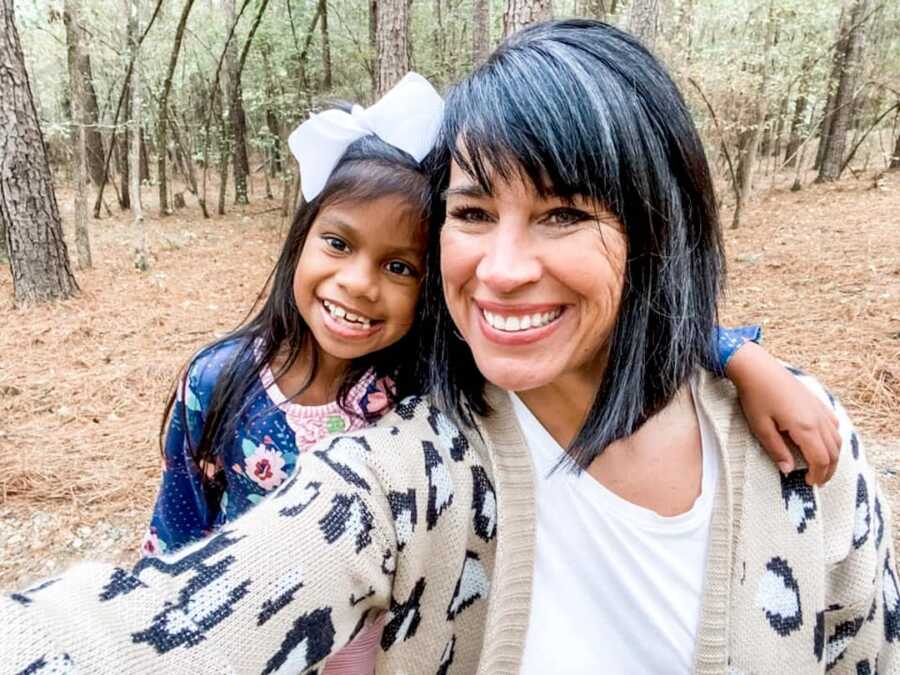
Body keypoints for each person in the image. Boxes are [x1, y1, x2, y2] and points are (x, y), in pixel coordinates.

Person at [2, 20, 888, 674]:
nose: (500, 271)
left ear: (660, 228)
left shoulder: (799, 457)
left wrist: (735, 356)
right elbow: (166, 616)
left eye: (563, 213)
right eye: (471, 213)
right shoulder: (409, 461)